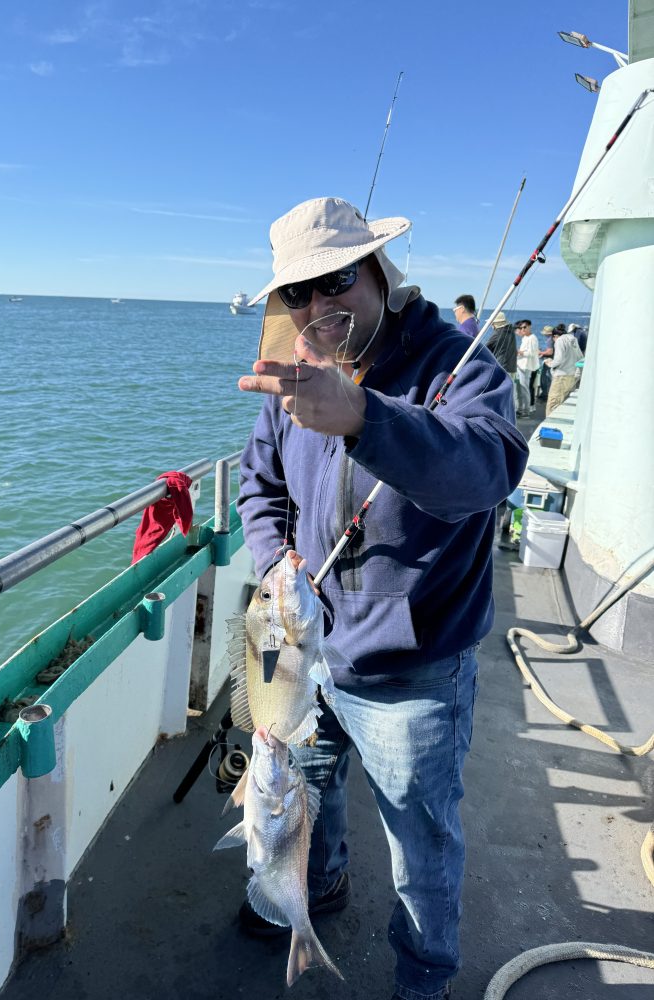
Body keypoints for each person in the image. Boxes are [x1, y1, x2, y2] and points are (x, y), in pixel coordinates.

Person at [236, 196, 528, 1000]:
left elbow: (487, 471)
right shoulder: (289, 374)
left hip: (415, 668)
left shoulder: (459, 364)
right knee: (307, 788)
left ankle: (424, 976)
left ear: (378, 272)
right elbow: (258, 489)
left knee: (419, 840)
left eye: (334, 281)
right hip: (307, 652)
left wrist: (364, 415)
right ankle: (316, 886)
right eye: (297, 293)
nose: (316, 307)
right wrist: (274, 558)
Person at [545, 324, 583, 417]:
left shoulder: (559, 340)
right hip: (572, 375)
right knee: (563, 403)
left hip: (561, 376)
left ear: (555, 336)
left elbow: (559, 359)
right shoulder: (573, 339)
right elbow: (581, 357)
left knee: (553, 403)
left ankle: (550, 426)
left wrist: (550, 363)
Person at [515, 319, 539, 417]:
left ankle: (526, 410)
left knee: (525, 389)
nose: (522, 329)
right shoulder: (525, 338)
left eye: (524, 327)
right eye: (521, 327)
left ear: (529, 326)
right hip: (521, 365)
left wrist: (520, 352)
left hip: (526, 366)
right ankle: (522, 409)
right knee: (521, 388)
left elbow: (533, 353)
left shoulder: (532, 338)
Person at [485, 311, 517, 376]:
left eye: (492, 323)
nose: (491, 325)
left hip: (501, 368)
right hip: (512, 367)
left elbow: (485, 349)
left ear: (495, 323)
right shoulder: (511, 331)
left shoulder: (497, 333)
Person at [537, 324, 555, 400]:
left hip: (549, 361)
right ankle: (547, 394)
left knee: (545, 378)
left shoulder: (550, 340)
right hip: (552, 360)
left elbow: (550, 352)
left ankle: (545, 394)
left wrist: (541, 353)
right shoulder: (553, 339)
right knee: (548, 378)